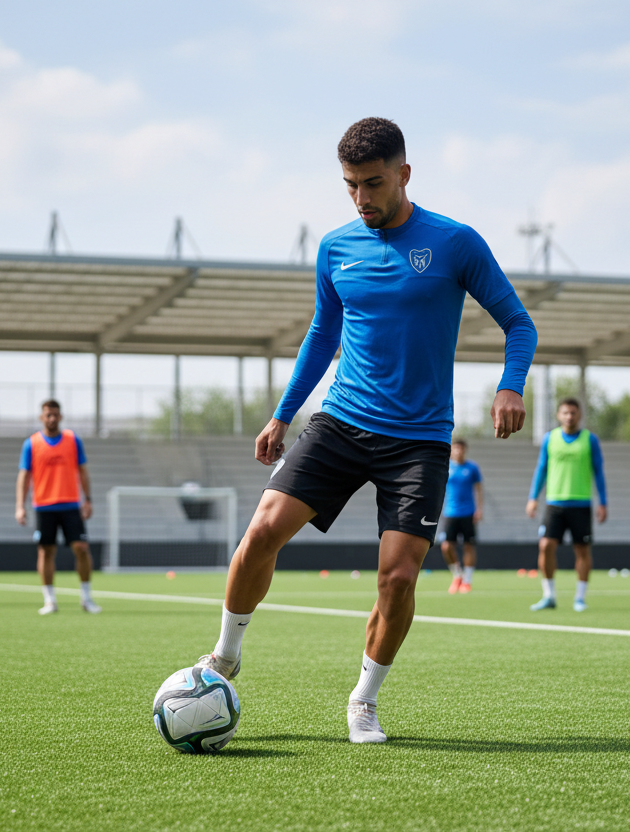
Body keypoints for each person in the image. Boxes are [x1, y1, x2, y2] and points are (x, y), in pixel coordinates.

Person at [195, 117, 537, 744]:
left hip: (420, 441)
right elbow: (323, 335)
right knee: (262, 531)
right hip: (340, 422)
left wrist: (511, 385)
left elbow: (520, 323)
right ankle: (223, 656)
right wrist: (282, 412)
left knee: (398, 577)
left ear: (404, 174)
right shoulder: (335, 248)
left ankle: (363, 700)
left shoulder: (456, 243)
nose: (362, 198)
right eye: (351, 185)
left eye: (373, 184)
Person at [15, 399, 102, 615]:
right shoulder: (32, 443)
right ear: (41, 417)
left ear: (60, 416)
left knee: (81, 549)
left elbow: (83, 471)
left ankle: (86, 598)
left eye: (55, 414)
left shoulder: (73, 441)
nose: (52, 418)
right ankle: (50, 600)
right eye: (48, 415)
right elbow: (24, 476)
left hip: (71, 504)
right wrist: (20, 506)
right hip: (44, 506)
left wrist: (88, 499)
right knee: (46, 551)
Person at [526, 398, 608, 612]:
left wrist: (603, 502)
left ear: (579, 415)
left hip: (581, 503)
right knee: (545, 546)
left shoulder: (590, 440)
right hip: (554, 503)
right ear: (558, 415)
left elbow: (599, 472)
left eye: (573, 413)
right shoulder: (550, 438)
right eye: (565, 413)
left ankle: (580, 598)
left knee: (582, 550)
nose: (569, 416)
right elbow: (541, 469)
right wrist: (533, 498)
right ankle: (549, 595)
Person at [439, 437, 483, 594]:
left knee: (468, 546)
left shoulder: (472, 468)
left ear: (465, 450)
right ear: (451, 450)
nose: (459, 451)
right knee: (446, 546)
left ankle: (467, 581)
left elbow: (478, 489)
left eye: (461, 448)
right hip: (450, 512)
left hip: (468, 512)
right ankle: (457, 574)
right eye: (456, 448)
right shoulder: (446, 467)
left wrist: (479, 509)